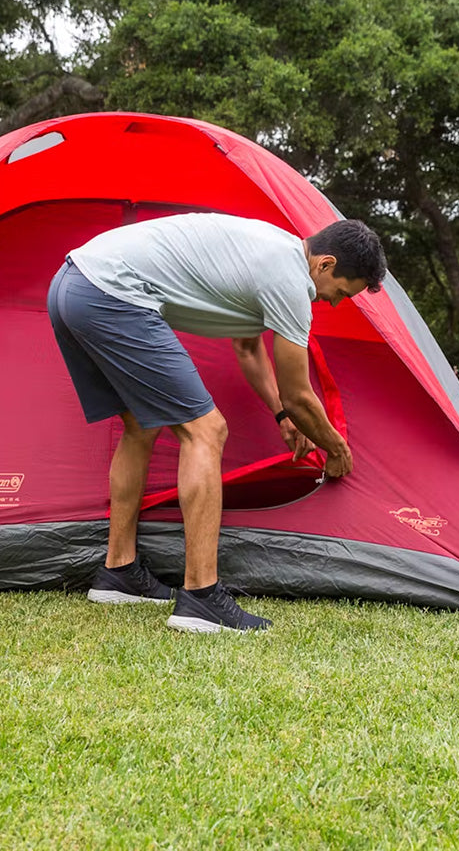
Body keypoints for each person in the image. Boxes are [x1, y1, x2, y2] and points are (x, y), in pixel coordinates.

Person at [46, 213, 387, 633]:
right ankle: (202, 599)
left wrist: (281, 415)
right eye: (339, 293)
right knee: (207, 430)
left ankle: (119, 573)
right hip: (112, 295)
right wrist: (336, 449)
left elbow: (247, 348)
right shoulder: (291, 280)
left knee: (140, 425)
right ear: (326, 264)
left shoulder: (275, 250)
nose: (333, 303)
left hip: (72, 285)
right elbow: (300, 394)